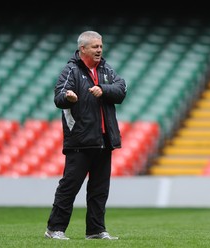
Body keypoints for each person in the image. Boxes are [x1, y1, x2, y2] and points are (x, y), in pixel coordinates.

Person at [44, 30, 127, 240]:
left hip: (104, 139)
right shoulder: (70, 71)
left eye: (100, 46)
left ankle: (95, 230)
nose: (99, 50)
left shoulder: (106, 70)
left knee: (99, 190)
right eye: (95, 47)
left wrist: (103, 89)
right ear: (83, 49)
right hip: (80, 140)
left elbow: (121, 89)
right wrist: (68, 96)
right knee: (69, 187)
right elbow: (59, 96)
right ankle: (54, 229)